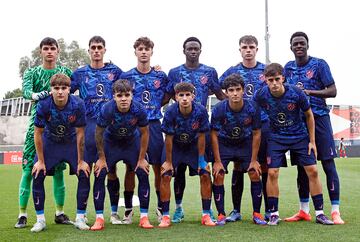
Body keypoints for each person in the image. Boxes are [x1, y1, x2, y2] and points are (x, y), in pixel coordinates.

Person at [253, 63, 333, 226]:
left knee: (313, 171)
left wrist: (312, 141)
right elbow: (252, 112)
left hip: (299, 136)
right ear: (266, 81)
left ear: (283, 78)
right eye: (270, 80)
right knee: (273, 172)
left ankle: (320, 213)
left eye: (277, 79)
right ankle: (274, 213)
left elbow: (309, 116)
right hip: (276, 137)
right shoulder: (261, 95)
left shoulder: (296, 93)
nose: (274, 83)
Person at [284, 31, 344, 225]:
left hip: (319, 118)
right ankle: (304, 210)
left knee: (327, 163)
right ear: (291, 47)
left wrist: (309, 92)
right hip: (298, 123)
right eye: (295, 44)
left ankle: (335, 210)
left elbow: (333, 91)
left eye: (302, 43)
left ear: (307, 45)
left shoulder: (319, 64)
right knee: (303, 166)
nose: (299, 46)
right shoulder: (288, 68)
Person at [164, 37, 226, 223]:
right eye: (189, 48)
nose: (193, 51)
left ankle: (208, 211)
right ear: (184, 50)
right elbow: (166, 96)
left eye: (196, 48)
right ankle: (178, 209)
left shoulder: (209, 71)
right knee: (178, 173)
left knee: (204, 170)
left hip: (200, 131)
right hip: (178, 132)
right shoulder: (174, 73)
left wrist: (232, 109)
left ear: (200, 50)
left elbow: (220, 95)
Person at [15, 37, 72, 228]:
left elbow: (81, 81)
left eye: (52, 48)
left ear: (57, 51)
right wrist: (37, 95)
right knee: (28, 170)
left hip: (59, 127)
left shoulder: (65, 72)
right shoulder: (32, 72)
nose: (49, 51)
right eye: (46, 48)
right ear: (41, 51)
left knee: (58, 171)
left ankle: (60, 212)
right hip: (36, 126)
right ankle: (22, 214)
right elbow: (26, 92)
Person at [70, 36, 123, 230]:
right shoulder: (80, 73)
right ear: (89, 50)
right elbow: (64, 89)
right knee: (85, 171)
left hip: (110, 128)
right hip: (88, 126)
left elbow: (134, 80)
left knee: (109, 171)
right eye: (93, 48)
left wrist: (156, 70)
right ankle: (80, 216)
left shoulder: (114, 71)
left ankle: (113, 212)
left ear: (105, 50)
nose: (96, 51)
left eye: (99, 47)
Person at [218, 35, 270, 222]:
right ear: (239, 50)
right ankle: (236, 210)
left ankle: (267, 210)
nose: (248, 50)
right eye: (244, 47)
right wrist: (230, 109)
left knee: (260, 166)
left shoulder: (266, 70)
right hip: (236, 127)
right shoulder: (232, 71)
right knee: (238, 167)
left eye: (251, 47)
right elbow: (219, 87)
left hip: (261, 124)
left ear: (257, 49)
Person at [119, 37, 168, 224]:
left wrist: (155, 105)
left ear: (152, 52)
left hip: (154, 124)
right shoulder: (127, 76)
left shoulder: (160, 76)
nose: (144, 52)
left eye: (147, 49)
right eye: (140, 49)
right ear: (135, 52)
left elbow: (168, 94)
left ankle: (159, 208)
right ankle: (129, 209)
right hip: (133, 126)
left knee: (157, 167)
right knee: (132, 167)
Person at [30, 74, 87, 232]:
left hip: (70, 143)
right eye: (56, 88)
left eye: (63, 88)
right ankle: (40, 220)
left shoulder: (78, 104)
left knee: (84, 173)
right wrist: (40, 161)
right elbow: (37, 133)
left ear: (69, 89)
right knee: (37, 173)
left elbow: (81, 133)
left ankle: (80, 218)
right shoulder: (44, 105)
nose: (60, 92)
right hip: (51, 143)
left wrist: (81, 160)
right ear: (51, 90)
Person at [95, 79, 154, 229]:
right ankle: (103, 217)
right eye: (119, 95)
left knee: (142, 171)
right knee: (101, 172)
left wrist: (141, 158)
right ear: (114, 96)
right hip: (111, 142)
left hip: (131, 142)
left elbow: (145, 133)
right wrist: (101, 158)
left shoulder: (138, 109)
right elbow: (98, 133)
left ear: (132, 96)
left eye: (127, 95)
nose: (123, 99)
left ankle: (142, 216)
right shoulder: (107, 109)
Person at [210, 73, 267, 226]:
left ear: (243, 90)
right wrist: (217, 161)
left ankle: (256, 213)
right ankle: (221, 215)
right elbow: (213, 135)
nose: (234, 93)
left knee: (254, 172)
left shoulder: (252, 107)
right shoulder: (219, 109)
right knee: (219, 174)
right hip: (225, 144)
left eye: (237, 89)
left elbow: (256, 133)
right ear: (226, 92)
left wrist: (254, 160)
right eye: (231, 90)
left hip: (244, 143)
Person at [158, 82, 216, 228]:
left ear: (193, 96)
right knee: (165, 174)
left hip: (193, 146)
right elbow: (169, 138)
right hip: (175, 147)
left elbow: (202, 136)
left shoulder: (201, 111)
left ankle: (206, 214)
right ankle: (166, 216)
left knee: (204, 173)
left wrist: (202, 159)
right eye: (181, 95)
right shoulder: (171, 112)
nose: (184, 98)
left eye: (187, 95)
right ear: (176, 97)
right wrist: (169, 162)